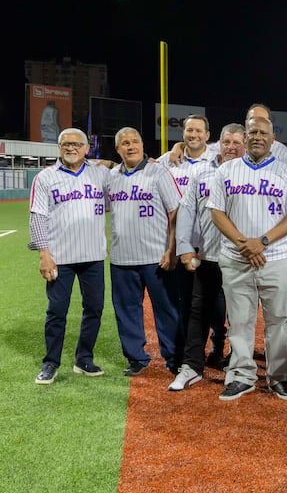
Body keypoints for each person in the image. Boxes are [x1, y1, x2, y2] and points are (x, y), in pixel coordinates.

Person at [208, 115, 287, 401]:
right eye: (253, 133)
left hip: (275, 256)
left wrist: (261, 242)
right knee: (240, 320)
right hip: (237, 258)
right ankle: (241, 375)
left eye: (264, 133)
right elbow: (217, 212)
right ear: (246, 137)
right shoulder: (226, 171)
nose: (258, 137)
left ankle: (279, 376)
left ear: (273, 139)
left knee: (278, 321)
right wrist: (244, 244)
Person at [168, 123, 246, 391]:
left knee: (240, 315)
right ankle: (191, 366)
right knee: (198, 312)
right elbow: (187, 211)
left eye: (237, 142)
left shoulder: (250, 172)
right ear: (219, 144)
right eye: (227, 142)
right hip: (208, 255)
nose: (231, 147)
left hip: (240, 257)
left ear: (245, 145)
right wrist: (185, 248)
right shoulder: (201, 171)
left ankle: (237, 366)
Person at [29, 128, 110, 384]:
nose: (71, 148)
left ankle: (83, 358)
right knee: (56, 311)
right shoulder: (45, 177)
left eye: (77, 144)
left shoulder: (101, 174)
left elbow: (126, 176)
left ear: (87, 148)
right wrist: (44, 254)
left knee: (94, 308)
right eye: (65, 144)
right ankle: (51, 362)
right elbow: (37, 217)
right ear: (59, 148)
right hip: (59, 257)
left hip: (93, 255)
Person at [107, 127, 183, 376]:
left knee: (167, 308)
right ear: (118, 149)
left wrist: (172, 250)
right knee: (126, 310)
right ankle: (136, 358)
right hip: (121, 257)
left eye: (135, 141)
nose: (131, 146)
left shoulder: (158, 172)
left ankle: (174, 357)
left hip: (156, 256)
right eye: (125, 143)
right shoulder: (110, 177)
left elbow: (175, 212)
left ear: (142, 144)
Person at [156, 114, 214, 356]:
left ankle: (217, 345)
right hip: (177, 245)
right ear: (183, 134)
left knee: (213, 305)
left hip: (209, 246)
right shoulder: (165, 162)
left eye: (199, 131)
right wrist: (104, 163)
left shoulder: (217, 161)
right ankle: (184, 353)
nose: (194, 135)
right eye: (189, 130)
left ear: (208, 136)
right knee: (181, 302)